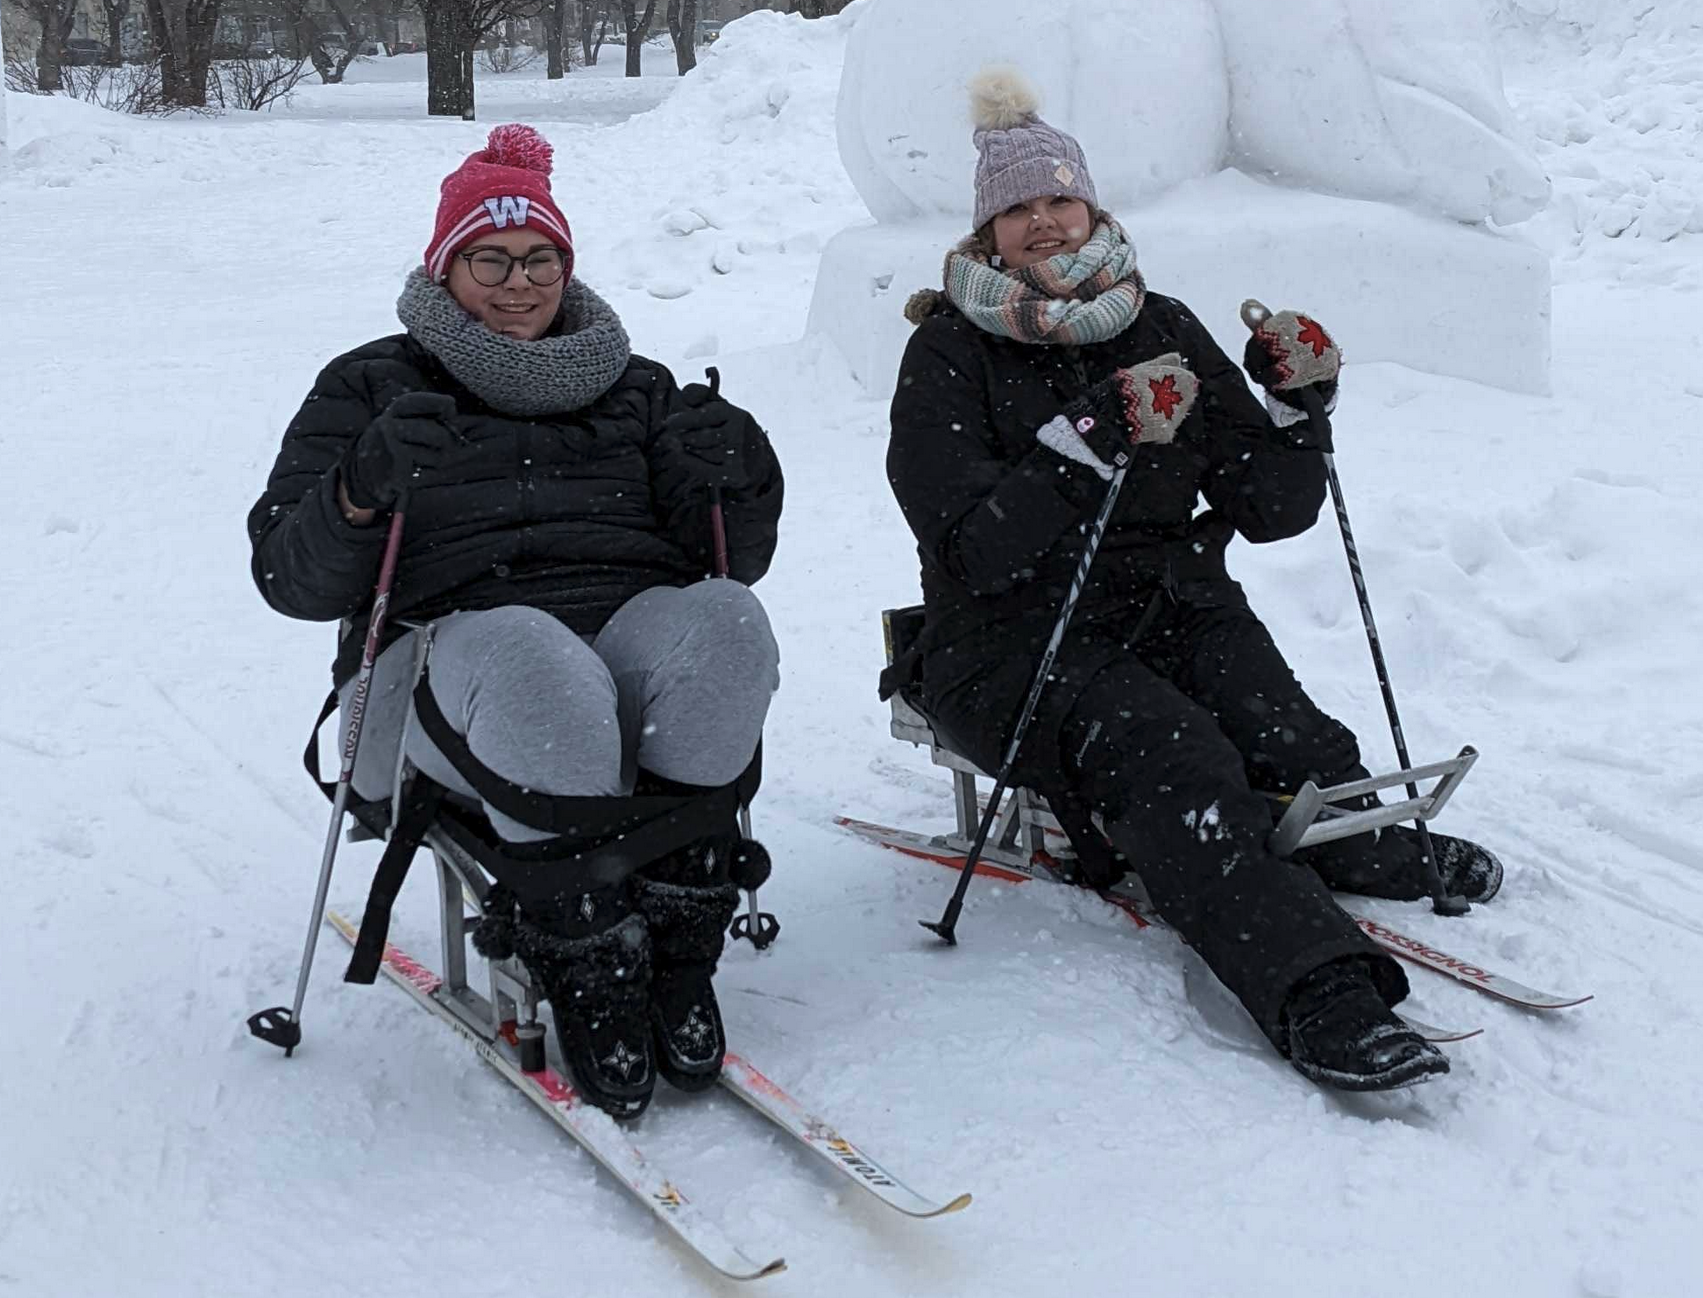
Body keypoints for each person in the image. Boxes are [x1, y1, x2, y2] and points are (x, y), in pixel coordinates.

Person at [884, 70, 1503, 1092]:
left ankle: (1355, 844)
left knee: (1288, 732)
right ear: (986, 234)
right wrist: (1089, 435)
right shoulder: (948, 350)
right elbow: (975, 549)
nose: (1041, 223)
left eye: (1057, 200)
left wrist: (1303, 406)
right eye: (1015, 210)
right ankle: (1318, 986)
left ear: (1092, 207)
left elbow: (1269, 505)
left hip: (1170, 606)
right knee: (1176, 760)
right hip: (1009, 646)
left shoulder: (1158, 321)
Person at [247, 125, 784, 1120]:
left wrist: (743, 469)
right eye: (489, 259)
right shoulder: (373, 385)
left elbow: (728, 555)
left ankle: (676, 935)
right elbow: (288, 573)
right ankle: (584, 952)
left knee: (728, 624)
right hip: (449, 667)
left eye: (540, 258)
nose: (518, 281)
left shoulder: (637, 387)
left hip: (620, 649)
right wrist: (360, 486)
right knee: (540, 660)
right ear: (445, 265)